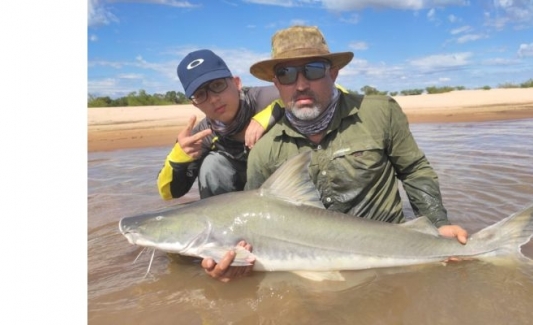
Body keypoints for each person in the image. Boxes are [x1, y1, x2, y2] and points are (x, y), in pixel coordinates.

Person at [201, 25, 469, 282]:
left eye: (313, 70)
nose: (301, 84)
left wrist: (437, 224)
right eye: (286, 74)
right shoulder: (264, 150)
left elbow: (413, 170)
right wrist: (235, 264)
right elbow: (256, 218)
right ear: (276, 83)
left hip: (397, 258)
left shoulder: (379, 112)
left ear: (334, 73)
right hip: (313, 263)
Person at [157, 49, 283, 200]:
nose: (213, 99)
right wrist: (178, 158)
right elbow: (168, 194)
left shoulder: (263, 99)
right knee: (212, 165)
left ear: (237, 83)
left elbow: (306, 95)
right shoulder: (202, 136)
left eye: (217, 85)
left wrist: (270, 113)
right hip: (236, 194)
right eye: (200, 94)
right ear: (196, 105)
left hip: (279, 186)